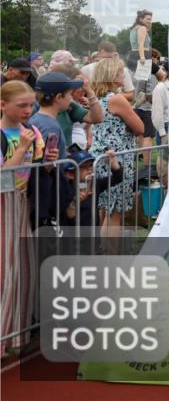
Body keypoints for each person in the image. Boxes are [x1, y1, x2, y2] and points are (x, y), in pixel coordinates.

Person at [1, 80, 48, 357]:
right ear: (3, 105)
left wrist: (47, 158)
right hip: (3, 204)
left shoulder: (31, 131)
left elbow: (35, 167)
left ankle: (14, 336)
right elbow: (4, 175)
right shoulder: (8, 134)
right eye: (22, 105)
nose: (28, 110)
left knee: (21, 270)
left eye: (31, 105)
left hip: (21, 204)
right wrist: (21, 149)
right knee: (5, 272)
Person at [90, 57, 144, 241]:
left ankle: (100, 253)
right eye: (121, 72)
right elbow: (140, 128)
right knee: (115, 214)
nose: (124, 75)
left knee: (104, 208)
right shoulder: (117, 99)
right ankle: (110, 258)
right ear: (112, 76)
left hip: (100, 156)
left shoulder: (97, 99)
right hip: (117, 159)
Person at [28, 72, 83, 228]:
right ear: (58, 97)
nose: (71, 99)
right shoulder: (49, 126)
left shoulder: (36, 119)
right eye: (69, 95)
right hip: (49, 193)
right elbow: (44, 165)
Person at [46, 65, 104, 150]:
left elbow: (97, 118)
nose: (83, 89)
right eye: (78, 85)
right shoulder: (39, 108)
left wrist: (90, 92)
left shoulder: (70, 106)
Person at [151, 65, 169, 185]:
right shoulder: (160, 88)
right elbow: (158, 113)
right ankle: (165, 188)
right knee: (165, 161)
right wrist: (163, 133)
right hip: (166, 128)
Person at [127, 9, 154, 75]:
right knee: (142, 81)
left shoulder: (134, 28)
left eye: (150, 19)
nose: (150, 21)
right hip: (142, 55)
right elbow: (141, 44)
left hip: (133, 55)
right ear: (141, 19)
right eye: (148, 19)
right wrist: (142, 57)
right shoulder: (142, 28)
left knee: (136, 80)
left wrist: (149, 24)